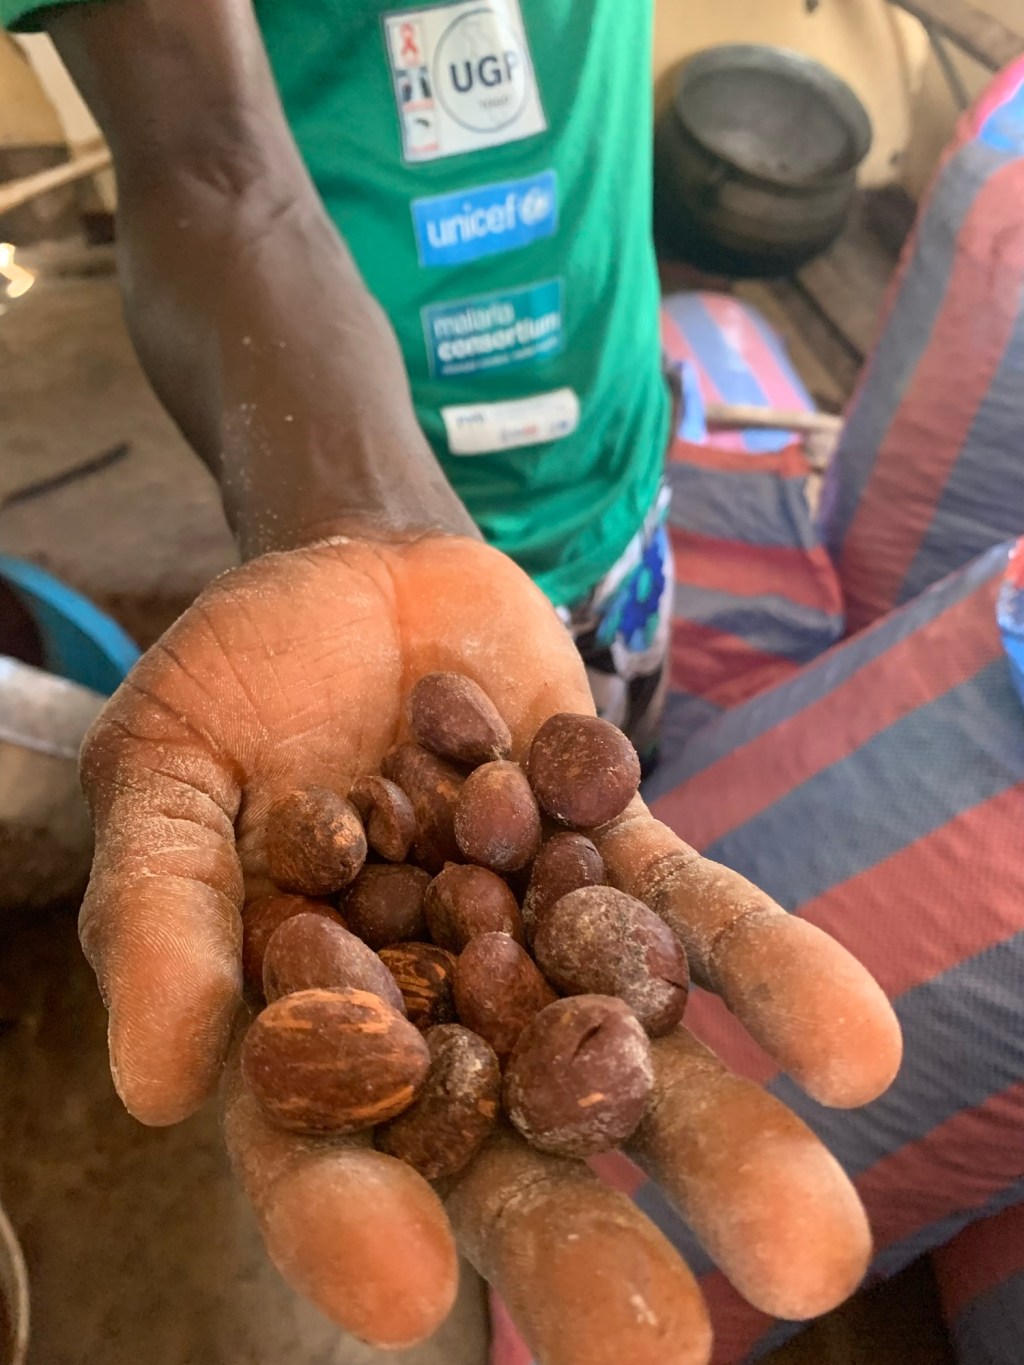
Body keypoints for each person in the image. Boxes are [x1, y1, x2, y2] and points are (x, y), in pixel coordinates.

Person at [0, 2, 901, 1361]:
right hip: (352, 495)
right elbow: (203, 157)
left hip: (608, 487)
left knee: (608, 745)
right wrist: (359, 518)